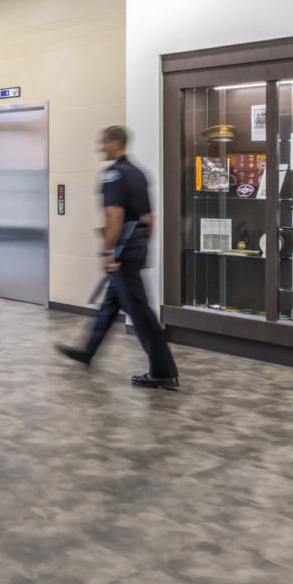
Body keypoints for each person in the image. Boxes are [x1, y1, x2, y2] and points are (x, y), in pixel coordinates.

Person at [59, 126, 180, 390]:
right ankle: (87, 352)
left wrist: (107, 251)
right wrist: (144, 250)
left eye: (102, 142)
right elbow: (149, 218)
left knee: (140, 313)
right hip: (134, 247)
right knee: (110, 305)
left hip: (122, 250)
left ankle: (163, 371)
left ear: (115, 143)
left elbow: (113, 215)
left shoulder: (113, 174)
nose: (99, 148)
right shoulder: (138, 173)